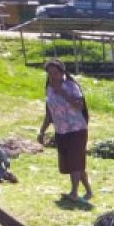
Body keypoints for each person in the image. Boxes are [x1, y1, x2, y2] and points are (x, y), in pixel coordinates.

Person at [36, 59, 91, 203]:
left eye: (55, 73)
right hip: (61, 131)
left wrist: (61, 92)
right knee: (73, 163)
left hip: (76, 129)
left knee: (75, 162)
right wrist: (41, 131)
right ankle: (89, 191)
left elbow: (78, 106)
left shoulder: (71, 86)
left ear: (62, 73)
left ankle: (74, 192)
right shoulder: (49, 89)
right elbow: (49, 114)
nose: (52, 76)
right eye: (50, 73)